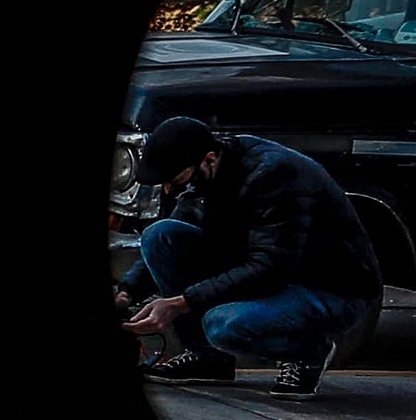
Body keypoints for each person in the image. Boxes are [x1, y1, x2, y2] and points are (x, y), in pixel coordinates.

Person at [117, 115, 381, 399]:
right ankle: (208, 358)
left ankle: (308, 351)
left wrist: (181, 303)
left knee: (222, 325)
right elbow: (176, 231)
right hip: (273, 272)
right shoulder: (208, 172)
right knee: (160, 235)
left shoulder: (275, 175)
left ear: (209, 160)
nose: (169, 189)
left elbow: (271, 268)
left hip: (331, 288)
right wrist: (125, 294)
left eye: (176, 179)